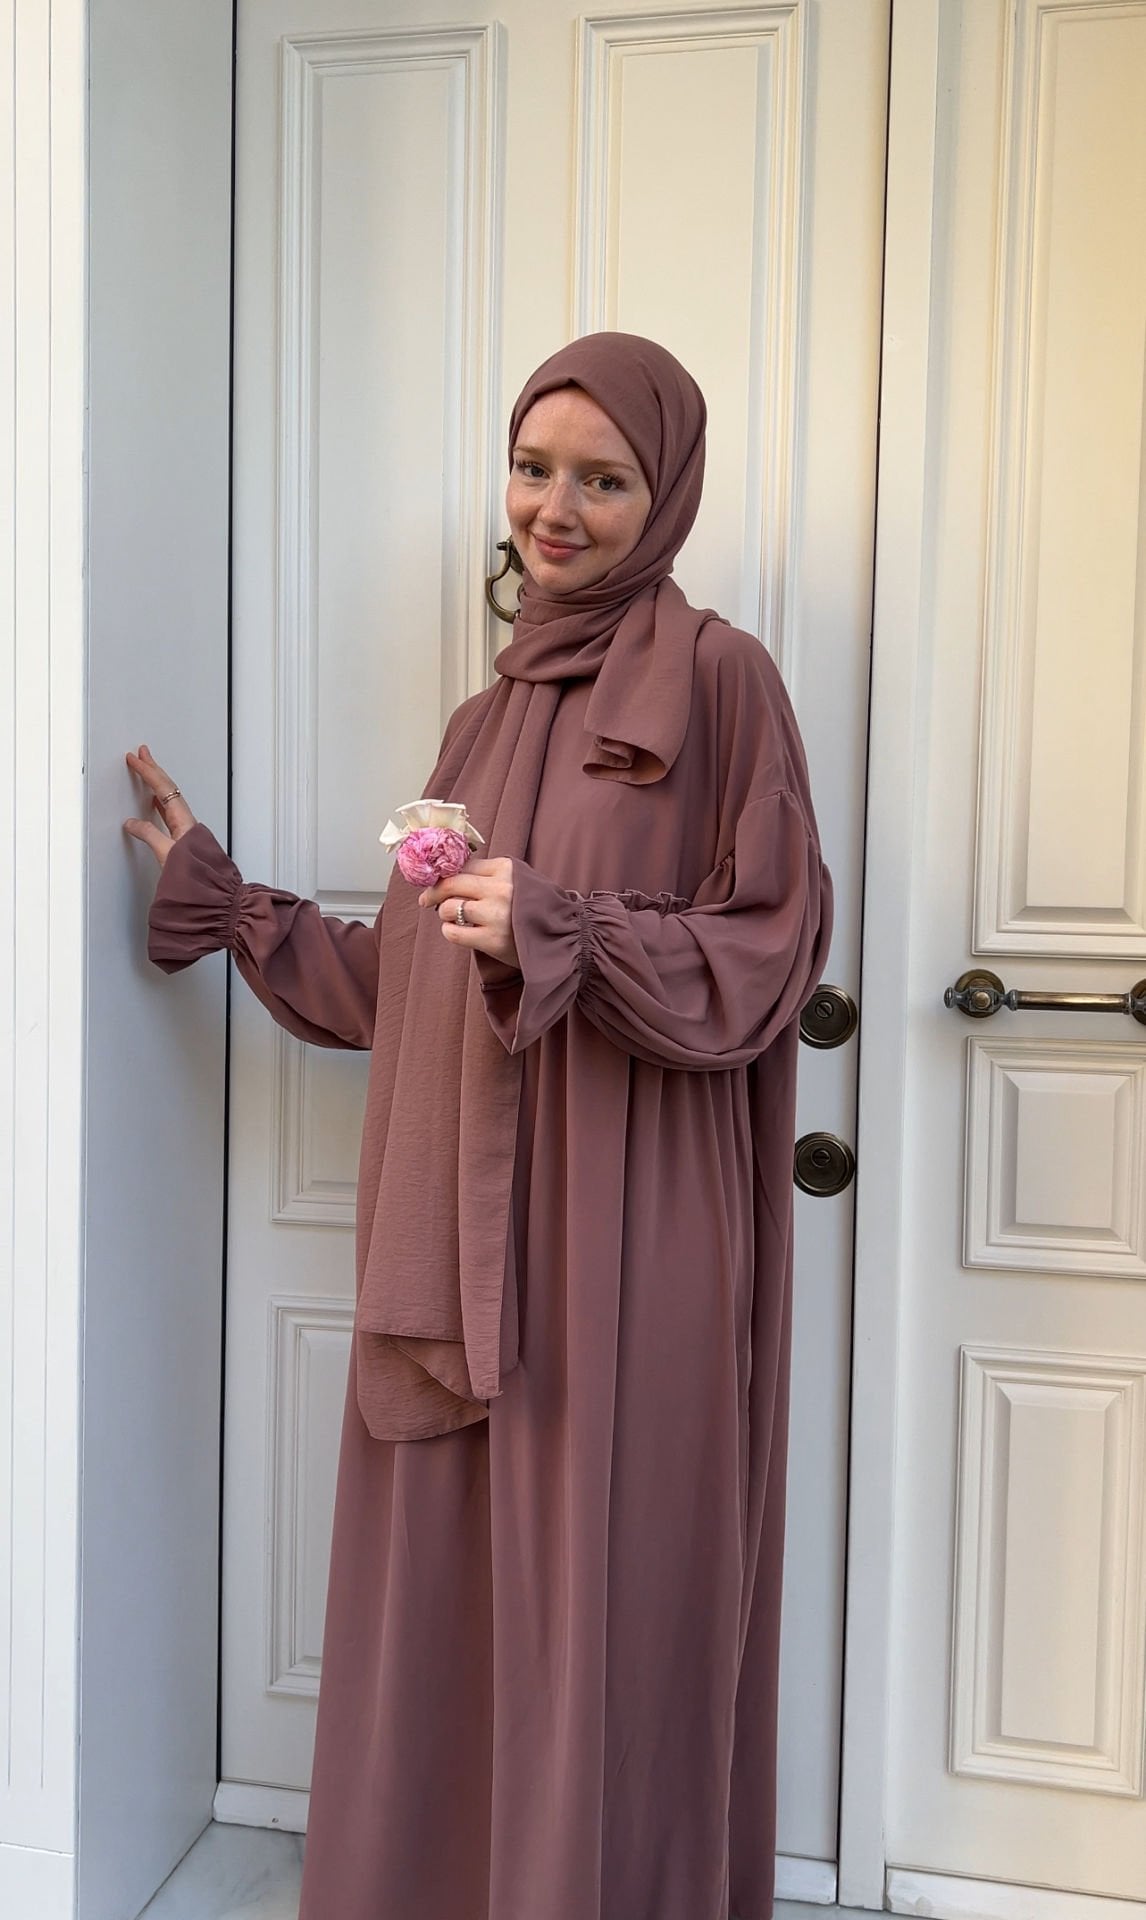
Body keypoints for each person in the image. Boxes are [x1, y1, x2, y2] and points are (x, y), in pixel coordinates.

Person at [124, 332, 834, 1920]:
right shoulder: (479, 720)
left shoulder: (722, 680)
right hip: (458, 1220)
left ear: (666, 496)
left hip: (627, 1218)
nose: (553, 509)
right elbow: (416, 988)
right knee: (453, 1590)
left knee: (609, 1583)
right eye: (532, 468)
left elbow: (768, 952)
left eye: (603, 479)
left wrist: (565, 928)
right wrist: (223, 898)